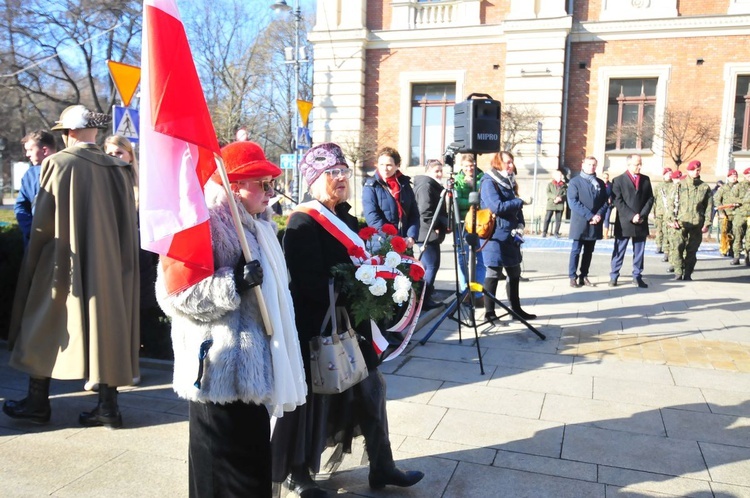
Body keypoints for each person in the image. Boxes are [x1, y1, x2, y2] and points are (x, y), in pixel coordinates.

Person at [272, 142, 424, 498]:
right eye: (332, 174)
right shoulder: (301, 224)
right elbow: (305, 283)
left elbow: (362, 257)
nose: (341, 179)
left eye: (343, 172)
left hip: (351, 323)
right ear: (313, 181)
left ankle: (382, 466)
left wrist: (383, 275)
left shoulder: (345, 216)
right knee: (311, 402)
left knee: (373, 388)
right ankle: (299, 473)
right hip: (315, 329)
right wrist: (358, 284)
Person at [156, 141, 306, 497]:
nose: (271, 192)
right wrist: (233, 282)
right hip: (217, 372)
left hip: (252, 374)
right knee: (220, 476)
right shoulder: (202, 221)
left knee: (252, 471)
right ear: (235, 184)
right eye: (263, 184)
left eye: (272, 183)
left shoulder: (258, 225)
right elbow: (173, 296)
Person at [4, 105, 139, 428]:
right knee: (107, 328)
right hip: (109, 266)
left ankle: (37, 403)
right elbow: (126, 227)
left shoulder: (57, 163)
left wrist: (33, 261)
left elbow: (43, 222)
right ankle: (108, 407)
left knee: (40, 322)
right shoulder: (119, 169)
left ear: (71, 133)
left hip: (62, 262)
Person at [480, 152, 536, 324]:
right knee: (493, 273)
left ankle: (516, 309)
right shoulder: (488, 182)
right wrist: (520, 201)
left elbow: (516, 208)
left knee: (514, 271)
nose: (511, 165)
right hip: (494, 235)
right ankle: (489, 313)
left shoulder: (509, 181)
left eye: (512, 162)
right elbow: (496, 207)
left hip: (510, 234)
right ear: (498, 163)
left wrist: (521, 223)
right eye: (508, 162)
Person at [608, 154, 654, 288]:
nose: (639, 167)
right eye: (636, 164)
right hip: (624, 222)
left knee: (639, 251)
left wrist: (642, 215)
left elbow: (650, 199)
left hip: (641, 221)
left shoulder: (646, 180)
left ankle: (637, 276)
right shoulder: (618, 180)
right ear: (628, 165)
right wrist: (631, 215)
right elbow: (618, 201)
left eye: (640, 164)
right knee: (619, 250)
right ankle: (614, 275)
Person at [362, 146, 419, 248]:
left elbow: (414, 214)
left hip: (404, 242)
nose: (385, 168)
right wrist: (393, 237)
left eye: (389, 165)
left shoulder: (404, 184)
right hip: (381, 242)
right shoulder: (371, 186)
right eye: (381, 164)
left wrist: (411, 236)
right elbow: (372, 217)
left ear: (397, 166)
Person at [666, 160, 713, 280]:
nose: (696, 172)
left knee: (691, 250)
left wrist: (707, 223)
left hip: (696, 224)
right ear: (688, 171)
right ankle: (678, 272)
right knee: (677, 248)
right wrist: (671, 219)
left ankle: (687, 273)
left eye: (698, 170)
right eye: (693, 170)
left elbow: (709, 207)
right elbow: (670, 204)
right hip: (680, 223)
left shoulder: (704, 187)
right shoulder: (679, 185)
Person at [567, 156, 609, 288]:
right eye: (589, 164)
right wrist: (590, 215)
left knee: (589, 251)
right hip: (580, 222)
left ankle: (583, 275)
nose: (591, 167)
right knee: (576, 250)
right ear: (583, 165)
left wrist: (598, 215)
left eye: (594, 165)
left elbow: (605, 202)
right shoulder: (575, 182)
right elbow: (573, 202)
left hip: (595, 223)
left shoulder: (600, 183)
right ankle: (572, 276)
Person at [414, 158, 449, 309]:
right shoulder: (426, 185)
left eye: (441, 171)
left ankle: (423, 298)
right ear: (428, 171)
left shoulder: (431, 185)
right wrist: (436, 226)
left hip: (428, 232)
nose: (440, 174)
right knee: (431, 266)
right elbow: (425, 211)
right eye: (437, 171)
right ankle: (423, 300)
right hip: (426, 233)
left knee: (428, 266)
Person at [14, 130, 57, 249]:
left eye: (30, 150)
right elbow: (21, 206)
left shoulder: (67, 170)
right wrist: (31, 231)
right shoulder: (30, 175)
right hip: (35, 245)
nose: (27, 155)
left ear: (44, 150)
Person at [454, 153, 487, 303]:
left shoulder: (483, 178)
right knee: (462, 256)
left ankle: (478, 293)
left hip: (480, 222)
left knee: (481, 257)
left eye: (471, 166)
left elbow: (484, 198)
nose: (469, 169)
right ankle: (465, 291)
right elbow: (457, 202)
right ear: (462, 166)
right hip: (462, 222)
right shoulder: (457, 180)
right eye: (466, 166)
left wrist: (472, 199)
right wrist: (472, 201)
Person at [728, 168, 750, 265]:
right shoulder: (738, 186)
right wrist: (743, 201)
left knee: (749, 238)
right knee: (738, 236)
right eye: (748, 175)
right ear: (745, 176)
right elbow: (731, 197)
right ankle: (736, 256)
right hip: (739, 215)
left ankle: (747, 256)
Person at [714, 170, 738, 258]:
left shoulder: (740, 187)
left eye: (735, 175)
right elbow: (716, 199)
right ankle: (724, 249)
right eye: (732, 176)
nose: (734, 177)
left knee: (736, 233)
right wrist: (721, 212)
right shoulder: (723, 188)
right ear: (728, 177)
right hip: (725, 215)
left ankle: (733, 250)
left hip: (737, 214)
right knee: (724, 233)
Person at [652, 167, 673, 260]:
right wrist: (653, 211)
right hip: (659, 212)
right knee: (659, 230)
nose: (670, 175)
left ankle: (666, 251)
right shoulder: (658, 186)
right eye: (668, 173)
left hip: (669, 214)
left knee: (667, 232)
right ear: (664, 175)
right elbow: (654, 199)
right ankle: (659, 245)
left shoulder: (674, 185)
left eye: (671, 173)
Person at [542, 170, 567, 238]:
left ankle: (556, 232)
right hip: (551, 203)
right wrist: (555, 197)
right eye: (559, 175)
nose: (561, 176)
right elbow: (548, 192)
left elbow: (566, 193)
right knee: (547, 218)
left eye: (561, 175)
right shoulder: (550, 184)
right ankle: (544, 232)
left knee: (558, 220)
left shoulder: (564, 185)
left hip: (560, 204)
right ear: (554, 176)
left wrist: (560, 198)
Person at [602, 172, 614, 239]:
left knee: (606, 219)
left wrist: (610, 199)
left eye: (606, 178)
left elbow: (613, 194)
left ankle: (605, 235)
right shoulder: (600, 184)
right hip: (601, 205)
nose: (605, 179)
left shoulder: (611, 185)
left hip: (609, 205)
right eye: (604, 178)